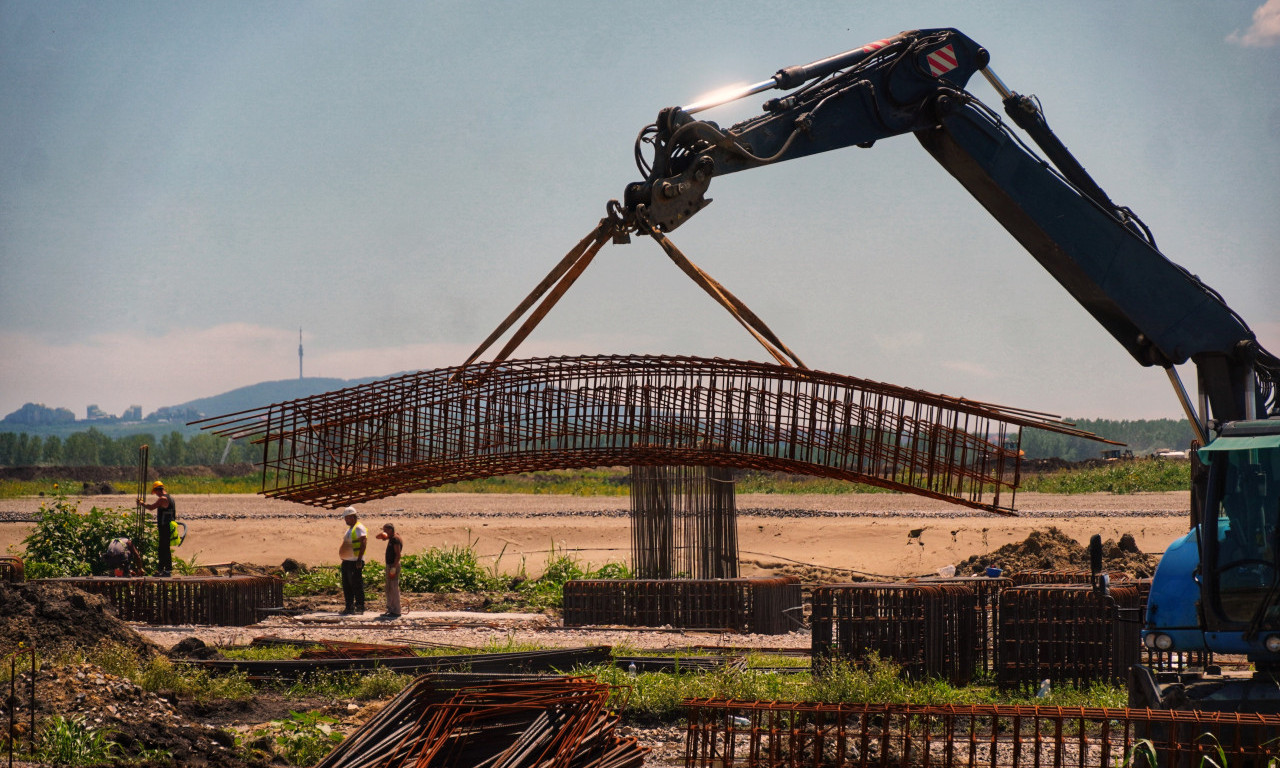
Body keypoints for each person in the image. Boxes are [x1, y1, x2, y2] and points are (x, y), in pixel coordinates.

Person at [139, 480, 175, 576]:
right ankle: (161, 570)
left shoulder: (162, 499)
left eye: (155, 493)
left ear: (158, 490)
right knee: (162, 548)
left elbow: (151, 507)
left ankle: (167, 570)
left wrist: (142, 503)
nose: (156, 495)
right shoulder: (170, 498)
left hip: (165, 527)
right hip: (168, 526)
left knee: (164, 549)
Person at [338, 507, 368, 615]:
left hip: (354, 561)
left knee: (356, 584)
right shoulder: (350, 529)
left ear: (352, 517)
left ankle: (360, 606)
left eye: (347, 518)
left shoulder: (359, 528)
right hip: (347, 561)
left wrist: (359, 559)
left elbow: (363, 543)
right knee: (347, 585)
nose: (345, 520)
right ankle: (349, 606)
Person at [375, 523, 403, 618]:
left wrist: (394, 567)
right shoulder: (391, 537)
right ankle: (391, 609)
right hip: (390, 565)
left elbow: (398, 555)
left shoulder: (395, 539)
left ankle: (396, 610)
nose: (384, 532)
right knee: (389, 587)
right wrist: (383, 534)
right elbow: (377, 537)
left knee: (393, 587)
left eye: (386, 530)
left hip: (393, 565)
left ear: (391, 530)